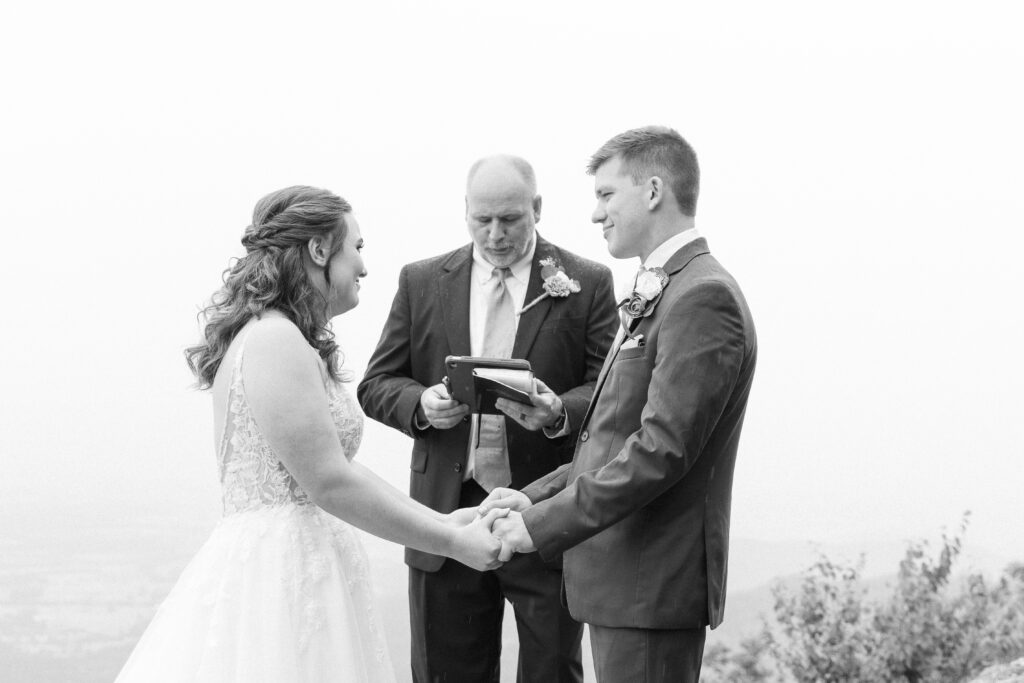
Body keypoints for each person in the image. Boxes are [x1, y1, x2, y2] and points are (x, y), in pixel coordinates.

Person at [115, 185, 508, 683]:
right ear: (320, 250)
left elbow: (339, 471)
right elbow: (330, 484)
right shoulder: (275, 339)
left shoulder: (281, 336)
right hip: (278, 585)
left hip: (303, 567)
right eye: (357, 248)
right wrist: (452, 545)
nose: (364, 267)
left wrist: (448, 522)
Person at [480, 127, 759, 683]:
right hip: (620, 585)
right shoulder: (666, 286)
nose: (595, 214)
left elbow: (660, 450)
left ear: (653, 190)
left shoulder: (702, 295)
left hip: (649, 588)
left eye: (607, 195)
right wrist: (529, 496)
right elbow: (610, 438)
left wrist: (538, 525)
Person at [357, 155, 618, 682]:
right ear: (466, 213)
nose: (496, 234)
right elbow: (377, 384)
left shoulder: (587, 282)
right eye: (483, 220)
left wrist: (556, 411)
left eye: (511, 219)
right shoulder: (423, 280)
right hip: (446, 518)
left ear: (537, 210)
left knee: (551, 673)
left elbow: (611, 392)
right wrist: (422, 406)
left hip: (544, 515)